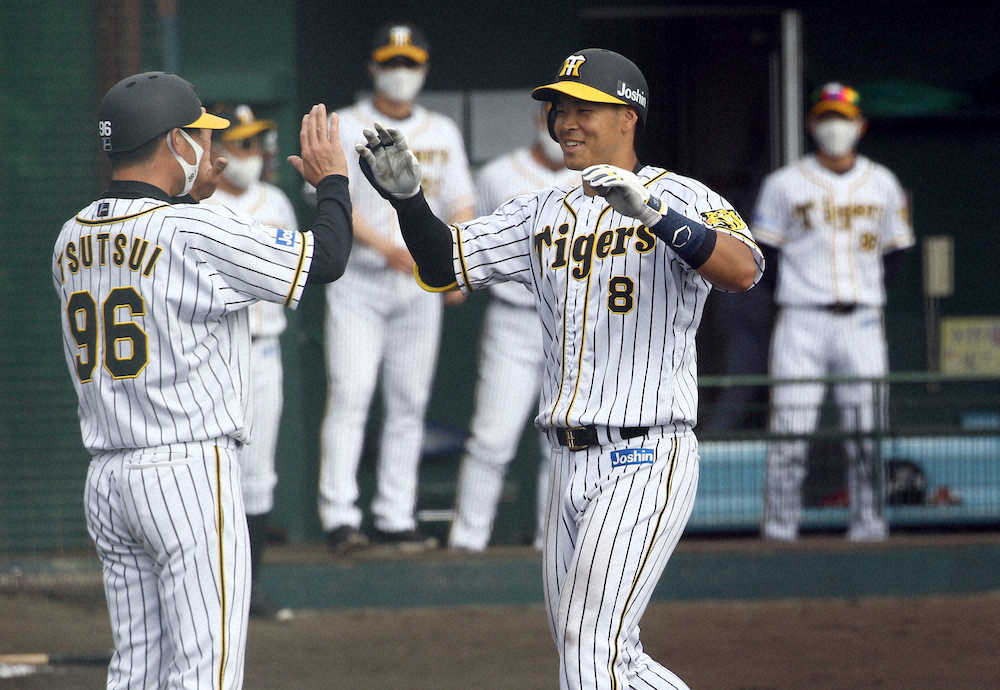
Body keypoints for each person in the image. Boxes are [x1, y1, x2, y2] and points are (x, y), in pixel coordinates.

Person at [356, 48, 762, 690]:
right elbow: (443, 266)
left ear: (628, 116)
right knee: (601, 656)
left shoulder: (680, 195)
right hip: (566, 460)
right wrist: (408, 201)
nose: (566, 122)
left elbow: (741, 270)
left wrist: (654, 215)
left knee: (588, 643)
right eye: (559, 109)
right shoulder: (538, 208)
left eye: (583, 109)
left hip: (646, 452)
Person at [53, 71, 351, 690]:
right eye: (199, 135)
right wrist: (332, 183)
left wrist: (191, 198)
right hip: (186, 471)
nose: (210, 149)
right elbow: (325, 259)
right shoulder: (195, 230)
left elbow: (159, 242)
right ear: (173, 142)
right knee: (205, 670)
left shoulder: (71, 236)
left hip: (108, 479)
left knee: (136, 669)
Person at [314, 21, 475, 553]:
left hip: (418, 287)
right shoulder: (345, 124)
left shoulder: (442, 131)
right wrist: (388, 248)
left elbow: (461, 204)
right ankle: (340, 517)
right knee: (351, 394)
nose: (400, 72)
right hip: (360, 281)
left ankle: (394, 515)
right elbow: (332, 199)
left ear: (424, 69)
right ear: (372, 67)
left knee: (409, 401)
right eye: (391, 63)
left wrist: (457, 263)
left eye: (409, 63)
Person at [753, 82, 914, 543]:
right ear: (811, 124)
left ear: (860, 125)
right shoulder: (784, 184)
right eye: (826, 117)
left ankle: (869, 527)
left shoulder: (882, 183)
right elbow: (765, 254)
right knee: (789, 431)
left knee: (867, 431)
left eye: (842, 118)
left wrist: (867, 292)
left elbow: (896, 251)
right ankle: (778, 530)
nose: (834, 127)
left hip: (862, 320)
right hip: (801, 319)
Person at [448, 104, 579, 552]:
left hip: (576, 324)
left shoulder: (599, 178)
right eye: (554, 115)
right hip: (514, 319)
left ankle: (554, 543)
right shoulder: (498, 175)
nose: (562, 125)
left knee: (565, 441)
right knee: (492, 438)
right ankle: (467, 542)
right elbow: (472, 243)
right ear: (540, 119)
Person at [202, 104, 297, 620]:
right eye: (242, 143)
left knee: (259, 476)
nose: (252, 153)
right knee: (211, 472)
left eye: (256, 142)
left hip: (263, 350)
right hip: (214, 352)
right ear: (217, 150)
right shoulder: (199, 204)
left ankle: (250, 589)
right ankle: (211, 587)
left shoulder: (276, 200)